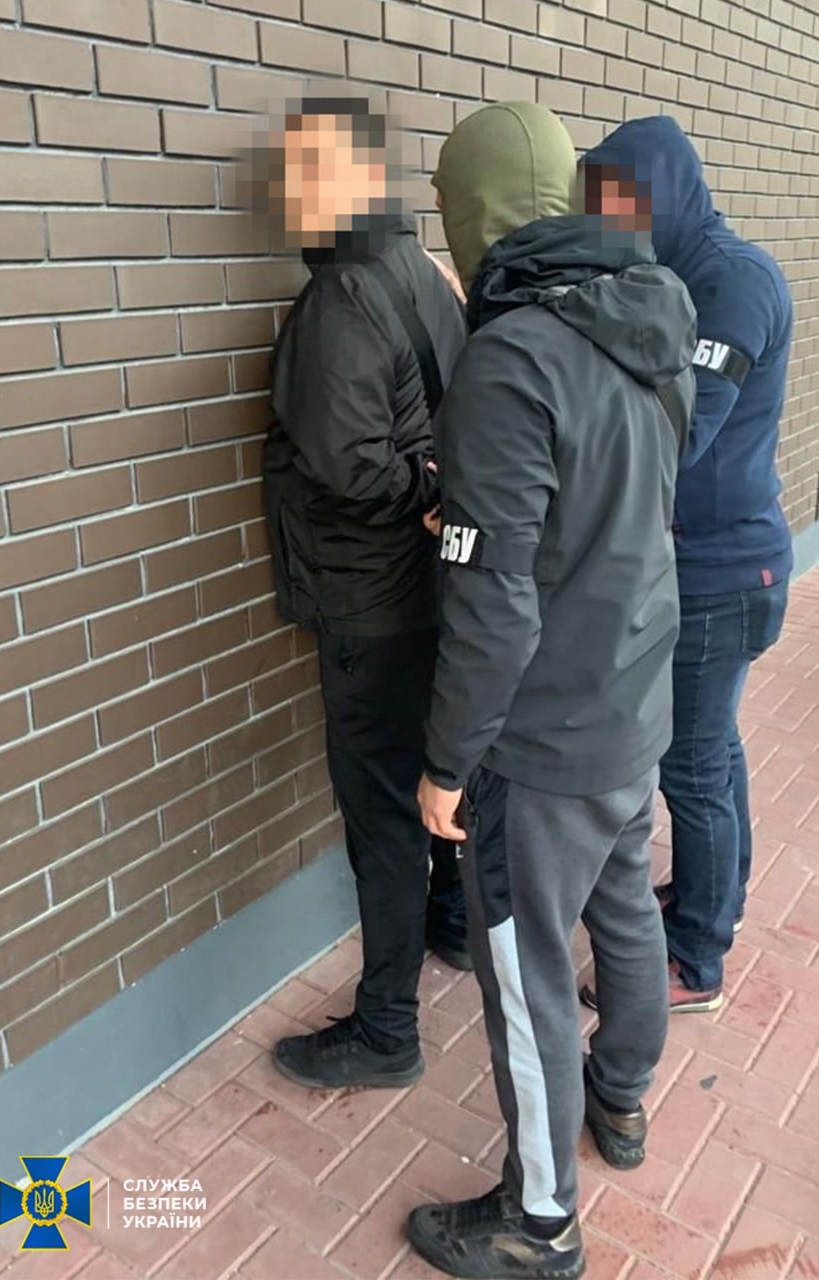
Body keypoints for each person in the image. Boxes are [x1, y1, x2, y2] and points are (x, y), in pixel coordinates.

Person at [405, 101, 696, 1279]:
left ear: (472, 213)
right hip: (633, 693)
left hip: (541, 738)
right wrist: (478, 513)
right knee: (624, 907)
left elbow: (497, 605)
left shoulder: (511, 353)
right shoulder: (651, 308)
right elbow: (616, 501)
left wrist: (444, 762)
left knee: (524, 979)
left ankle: (539, 1222)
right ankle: (620, 1096)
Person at [262, 97, 470, 1092]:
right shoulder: (419, 270)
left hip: (368, 600)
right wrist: (434, 490)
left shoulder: (340, 297)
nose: (286, 195)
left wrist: (417, 490)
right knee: (429, 772)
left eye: (302, 174)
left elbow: (348, 464)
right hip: (429, 589)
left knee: (381, 814)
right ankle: (454, 924)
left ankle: (386, 1027)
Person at [579, 118, 793, 1014]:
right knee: (714, 750)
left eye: (617, 204)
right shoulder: (675, 275)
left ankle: (696, 959)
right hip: (713, 566)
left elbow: (682, 430)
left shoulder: (731, 283)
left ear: (660, 192)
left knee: (692, 766)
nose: (606, 225)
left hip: (721, 574)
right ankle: (714, 897)